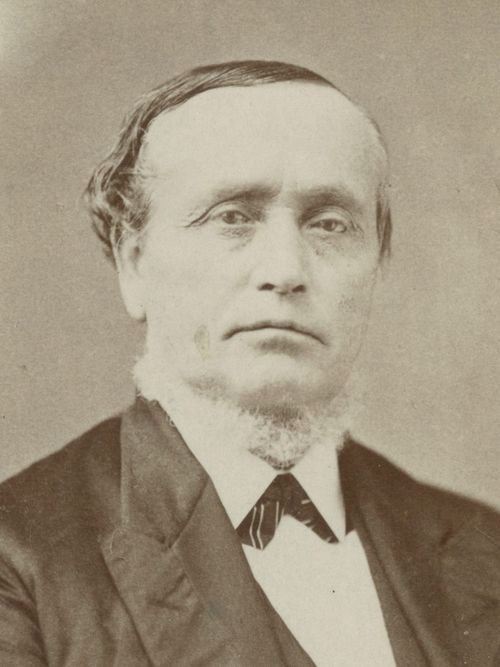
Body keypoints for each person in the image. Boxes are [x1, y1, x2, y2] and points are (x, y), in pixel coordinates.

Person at [1, 60, 499, 667]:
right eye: (232, 217)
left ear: (378, 267)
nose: (286, 271)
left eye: (330, 224)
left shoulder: (485, 549)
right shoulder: (18, 561)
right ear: (134, 264)